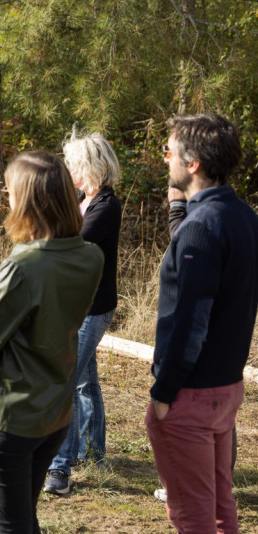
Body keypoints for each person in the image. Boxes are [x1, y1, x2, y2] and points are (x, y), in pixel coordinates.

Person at [0, 151, 103, 534]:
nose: (5, 199)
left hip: (12, 415)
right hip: (56, 412)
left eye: (9, 192)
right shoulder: (90, 257)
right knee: (25, 516)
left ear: (27, 202)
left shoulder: (23, 267)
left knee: (13, 525)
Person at [146, 113, 258, 532]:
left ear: (192, 163)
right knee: (218, 504)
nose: (165, 158)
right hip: (226, 388)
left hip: (191, 395)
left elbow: (190, 321)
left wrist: (164, 392)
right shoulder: (245, 217)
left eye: (169, 150)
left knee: (193, 514)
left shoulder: (200, 228)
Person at [43, 132, 122, 495]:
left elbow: (73, 244)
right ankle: (93, 451)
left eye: (74, 164)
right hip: (76, 305)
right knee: (85, 381)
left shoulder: (106, 204)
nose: (69, 169)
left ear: (91, 166)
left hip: (92, 308)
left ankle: (60, 468)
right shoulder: (81, 198)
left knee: (67, 379)